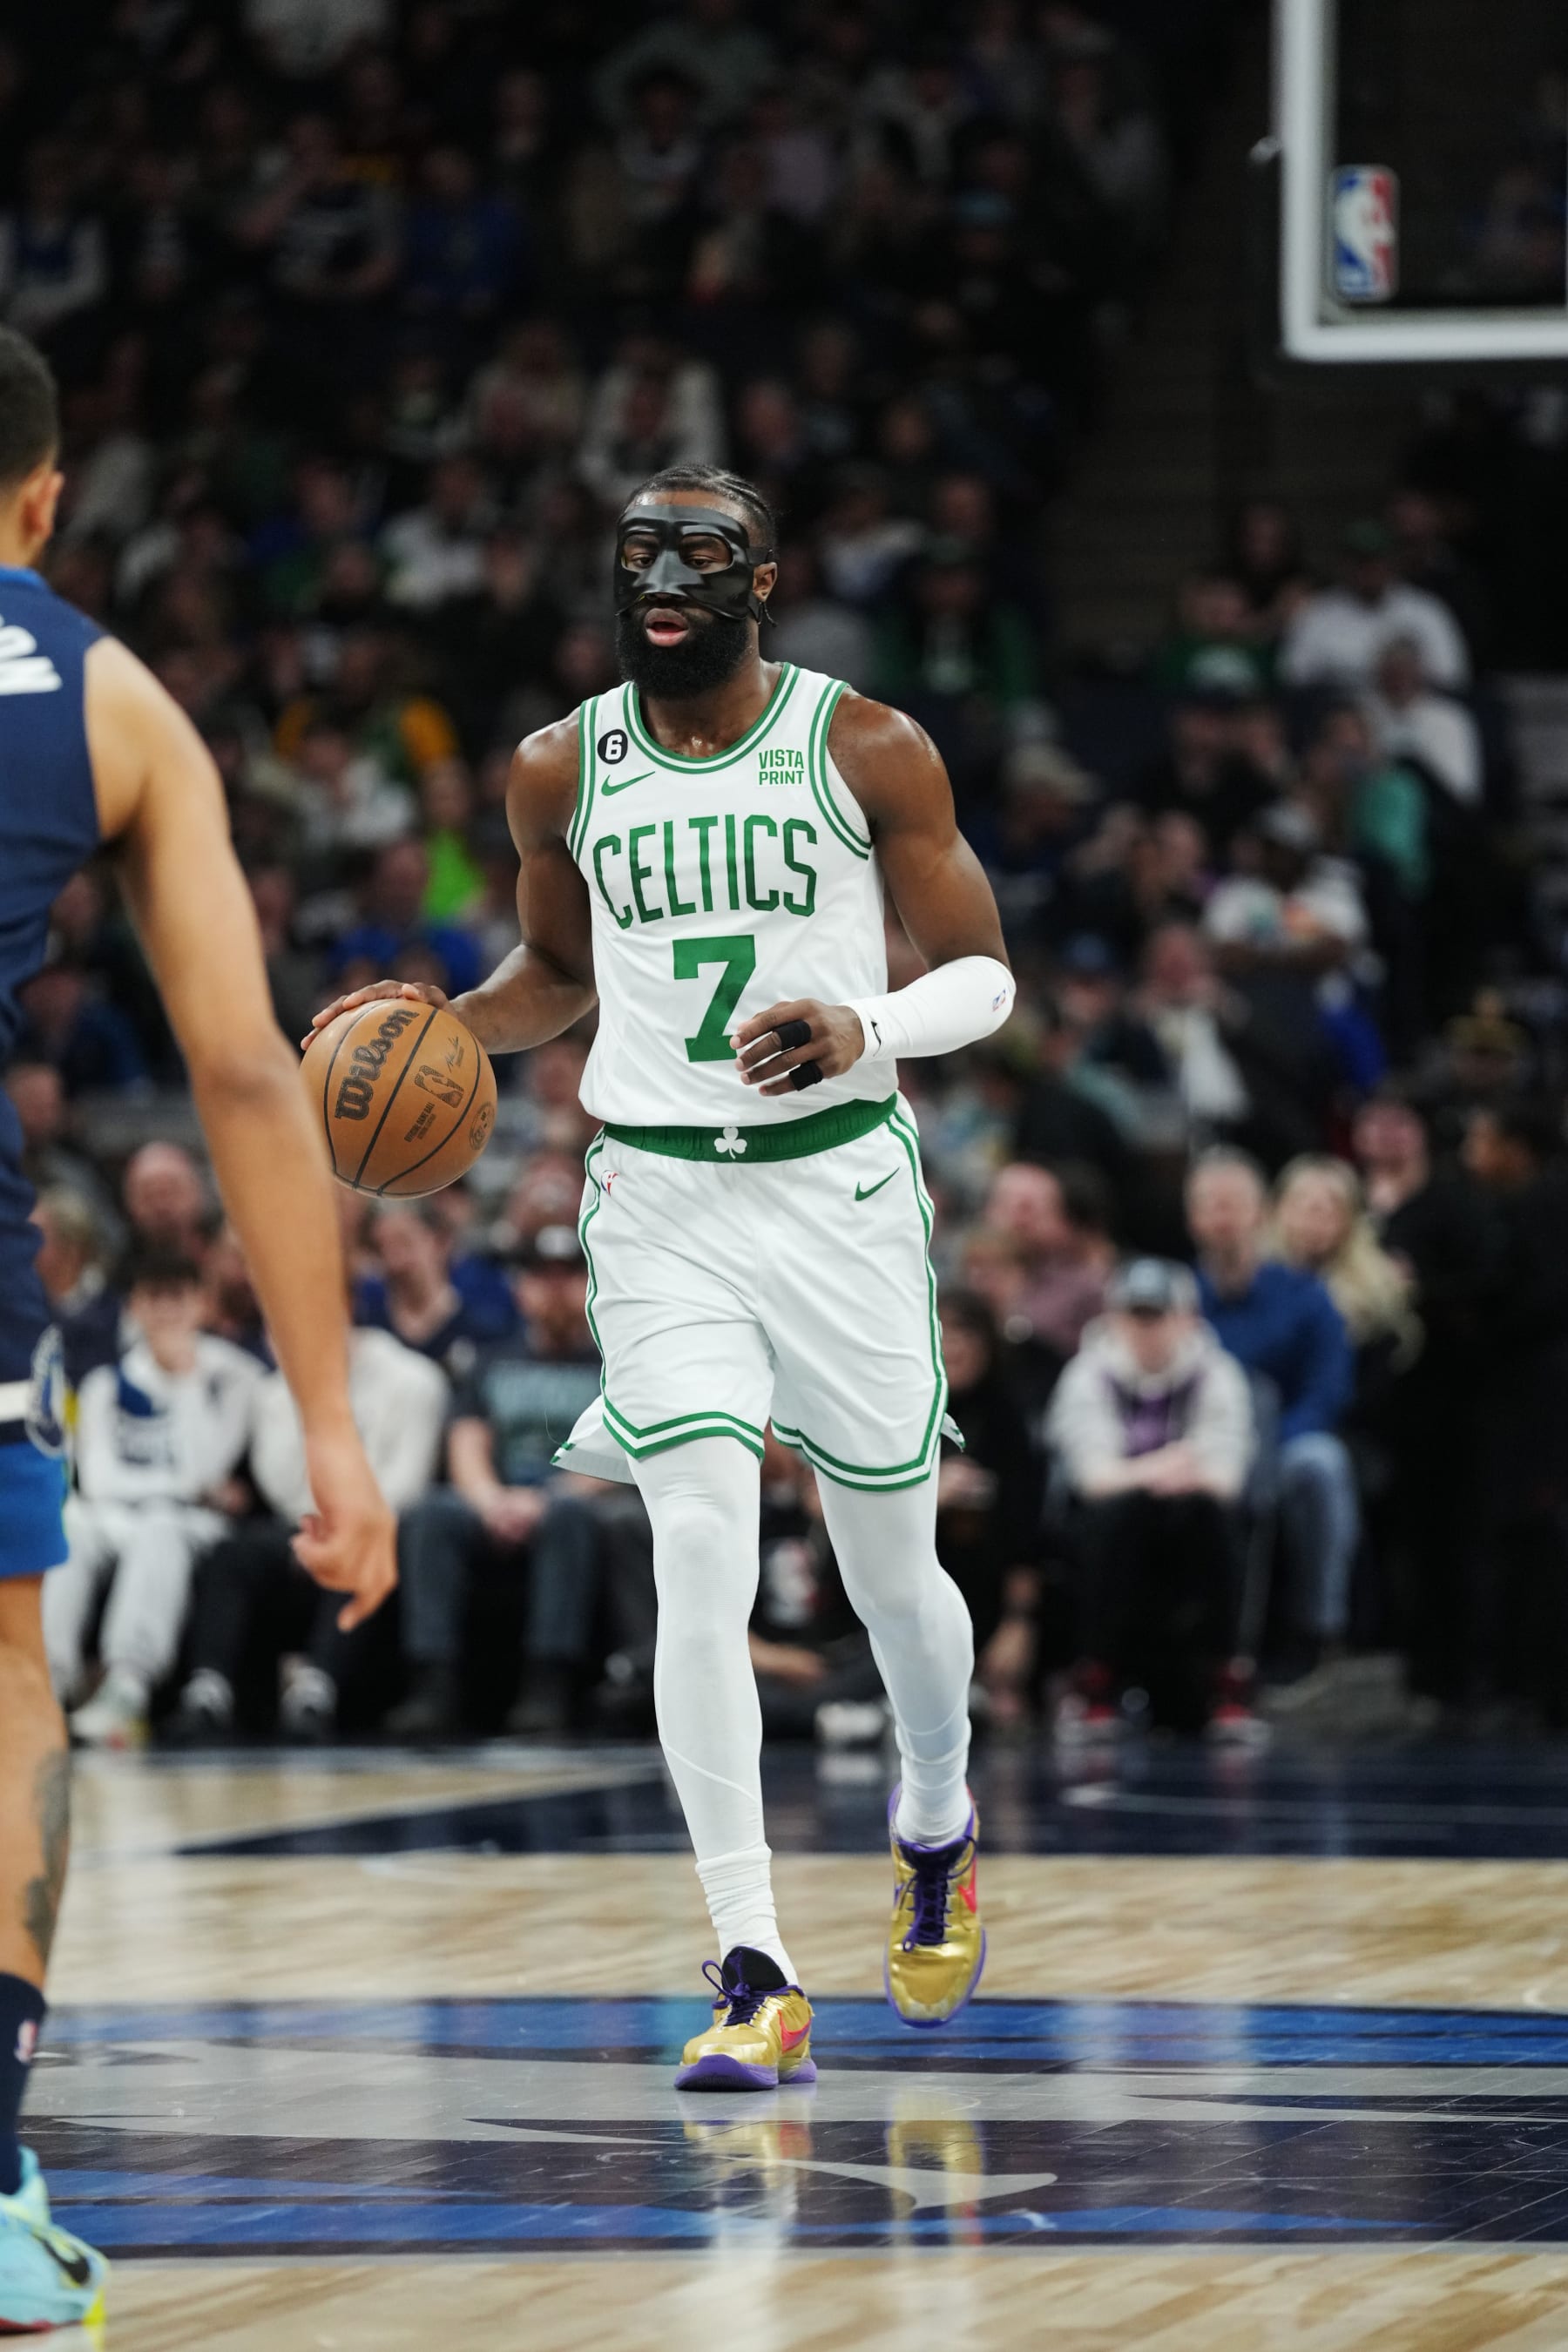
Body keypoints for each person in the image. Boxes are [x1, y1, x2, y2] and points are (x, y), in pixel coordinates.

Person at [311, 458, 1016, 2091]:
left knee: (893, 1582)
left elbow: (985, 976)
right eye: (640, 552)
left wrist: (867, 1024)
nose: (665, 577)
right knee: (695, 1549)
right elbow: (558, 973)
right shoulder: (559, 766)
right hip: (658, 1198)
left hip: (838, 1192)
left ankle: (934, 1813)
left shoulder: (867, 745)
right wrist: (436, 1029)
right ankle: (756, 1967)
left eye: (703, 553)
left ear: (763, 582)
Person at [0, 325, 393, 2329]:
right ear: (45, 495)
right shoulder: (112, 698)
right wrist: (327, 1421)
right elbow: (244, 1073)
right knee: (4, 1686)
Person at [169, 1315, 447, 1744]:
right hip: (302, 1523)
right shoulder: (273, 1393)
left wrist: (346, 1523)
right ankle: (208, 1690)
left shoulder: (413, 1379)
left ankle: (315, 1694)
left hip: (377, 1526)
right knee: (232, 1552)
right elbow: (280, 1481)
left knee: (356, 1550)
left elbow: (408, 1480)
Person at [386, 1224, 608, 1741]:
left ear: (592, 1285)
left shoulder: (613, 1366)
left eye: (569, 1276)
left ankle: (547, 1686)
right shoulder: (492, 1361)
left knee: (569, 1517)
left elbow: (621, 1454)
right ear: (521, 1289)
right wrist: (491, 1502)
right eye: (542, 1277)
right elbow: (466, 1444)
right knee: (432, 1513)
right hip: (498, 1500)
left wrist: (544, 1499)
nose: (555, 1289)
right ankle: (433, 1685)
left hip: (572, 1501)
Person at [43, 1250, 260, 1747]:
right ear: (134, 1307)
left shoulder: (235, 1377)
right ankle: (50, 1682)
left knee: (161, 1526)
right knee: (71, 1523)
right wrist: (184, 1487)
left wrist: (185, 1380)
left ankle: (127, 1688)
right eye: (153, 1299)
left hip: (195, 1527)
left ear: (201, 1304)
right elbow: (98, 1482)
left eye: (177, 1298)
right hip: (125, 1515)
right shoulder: (105, 1384)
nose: (165, 1312)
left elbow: (205, 1467)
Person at [1047, 1258, 1256, 1741]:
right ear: (1114, 1319)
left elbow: (1226, 1479)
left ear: (1185, 1319)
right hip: (1117, 1523)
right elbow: (1092, 1479)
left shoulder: (1218, 1373)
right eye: (1134, 1315)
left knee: (1213, 1517)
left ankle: (1225, 1679)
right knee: (1117, 1515)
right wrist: (1167, 1465)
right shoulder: (1087, 1375)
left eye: (1157, 1315)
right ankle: (1096, 1679)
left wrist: (1154, 1475)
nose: (1146, 1329)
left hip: (1190, 1517)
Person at [1186, 1148, 1358, 1670]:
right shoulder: (1176, 1298)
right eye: (1210, 1205)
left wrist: (1265, 1446)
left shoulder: (1305, 1295)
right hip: (1195, 1450)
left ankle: (1319, 1632)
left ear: (1262, 1213)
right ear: (1191, 1217)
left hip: (1282, 1443)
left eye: (1234, 1204)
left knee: (1321, 1465)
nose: (1223, 1217)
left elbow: (1327, 1391)